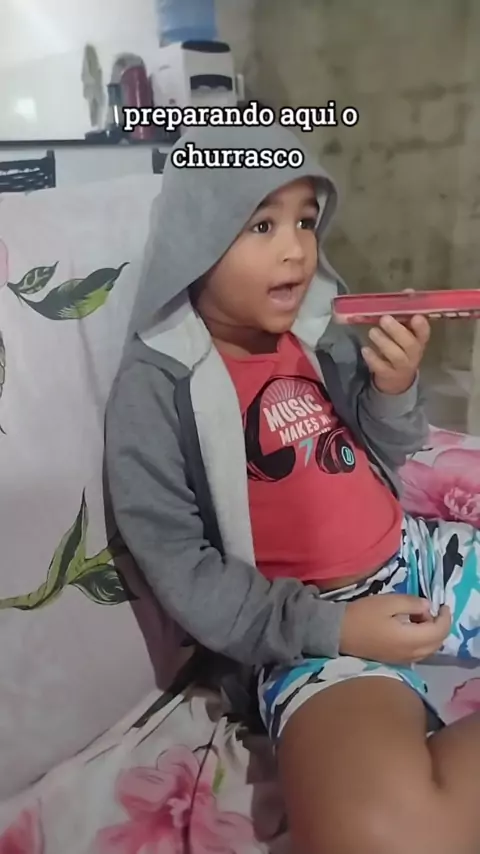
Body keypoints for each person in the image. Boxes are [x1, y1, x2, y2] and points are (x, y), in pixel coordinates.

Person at [105, 123, 480, 854]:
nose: (297, 250)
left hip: (423, 558)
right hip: (311, 633)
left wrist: (393, 388)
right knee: (380, 835)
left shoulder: (319, 334)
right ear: (196, 238)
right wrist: (335, 631)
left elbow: (389, 451)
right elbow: (183, 568)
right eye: (262, 225)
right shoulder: (155, 387)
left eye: (306, 221)